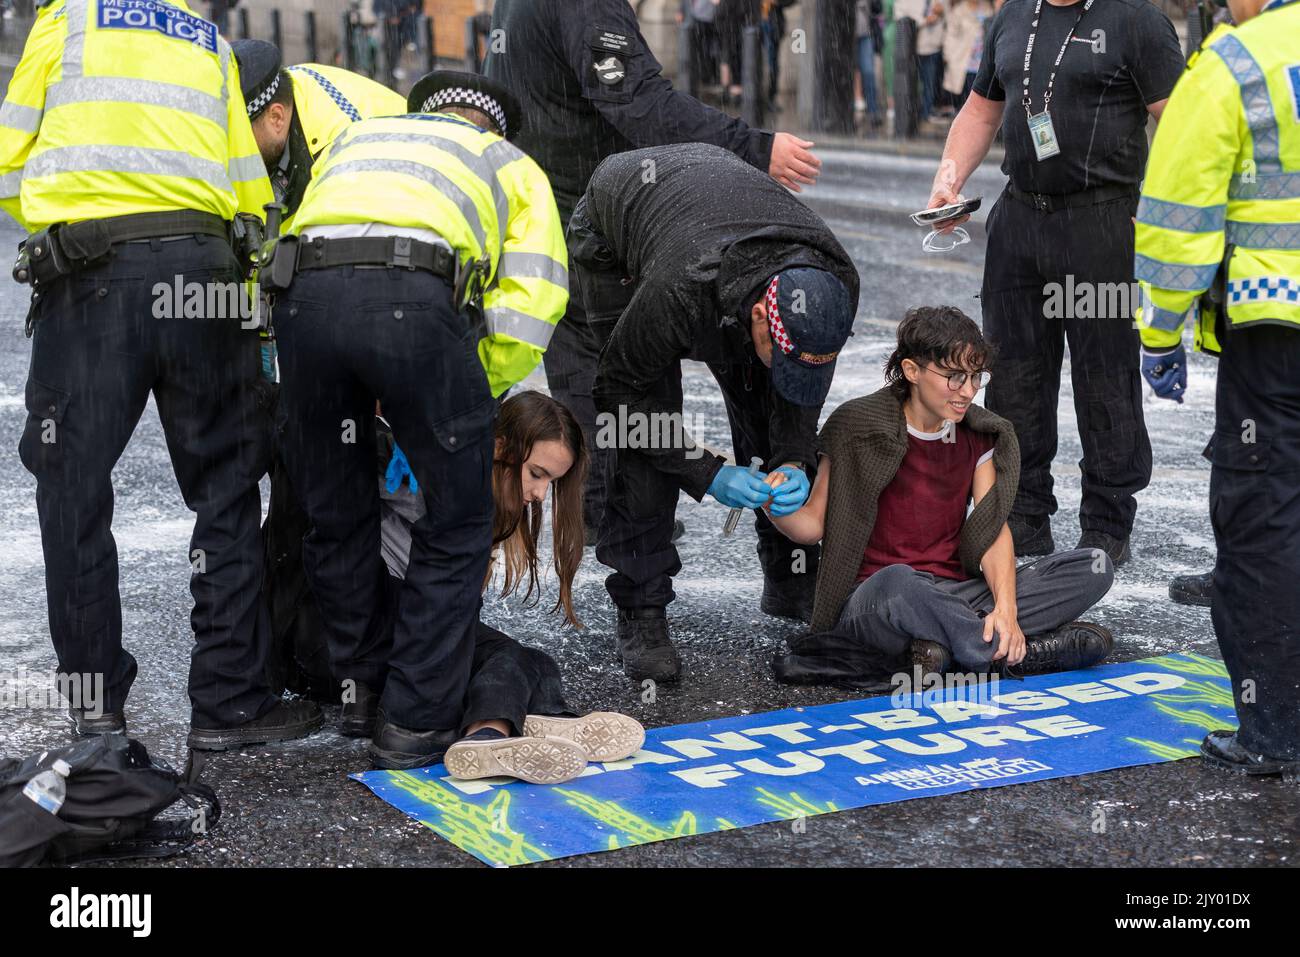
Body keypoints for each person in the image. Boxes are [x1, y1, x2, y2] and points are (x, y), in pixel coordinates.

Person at [0, 0, 322, 749]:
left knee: (72, 490)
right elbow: (247, 183)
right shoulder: (204, 36)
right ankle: (231, 703)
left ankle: (98, 712)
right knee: (226, 487)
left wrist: (67, 220)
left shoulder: (66, 21)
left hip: (90, 275)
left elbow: (11, 160)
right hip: (204, 271)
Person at [266, 71, 567, 769]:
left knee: (335, 514)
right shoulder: (507, 162)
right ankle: (414, 721)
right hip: (414, 301)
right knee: (457, 523)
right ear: (491, 124)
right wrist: (461, 393)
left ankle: (360, 690)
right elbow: (533, 300)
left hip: (302, 302)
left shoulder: (357, 139)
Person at [484, 0, 822, 538]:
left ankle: (600, 513)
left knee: (586, 376)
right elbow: (637, 100)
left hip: (541, 208)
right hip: (594, 220)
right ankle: (630, 532)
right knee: (631, 377)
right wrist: (752, 148)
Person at [569, 143, 858, 682]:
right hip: (618, 229)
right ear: (756, 317)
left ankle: (790, 578)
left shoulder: (833, 283)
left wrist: (794, 458)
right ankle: (641, 606)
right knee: (648, 435)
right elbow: (620, 398)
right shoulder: (679, 289)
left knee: (766, 394)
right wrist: (708, 471)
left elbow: (799, 394)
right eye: (781, 353)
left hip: (711, 215)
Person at [926, 0, 1185, 565]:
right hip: (1021, 220)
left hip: (1103, 222)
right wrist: (949, 180)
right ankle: (1023, 514)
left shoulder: (1136, 20)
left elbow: (1183, 122)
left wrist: (1164, 206)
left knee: (1105, 377)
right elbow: (980, 109)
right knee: (1015, 376)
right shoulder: (1014, 15)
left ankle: (1106, 523)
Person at [770, 307, 1115, 688]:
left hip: (954, 593)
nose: (967, 391)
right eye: (953, 377)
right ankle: (1016, 655)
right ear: (912, 370)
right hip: (877, 599)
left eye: (974, 377)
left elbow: (990, 530)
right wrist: (770, 501)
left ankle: (946, 645)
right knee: (902, 585)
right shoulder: (856, 424)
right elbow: (810, 527)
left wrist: (1006, 608)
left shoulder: (979, 434)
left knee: (1093, 566)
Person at [1134, 0, 1300, 778]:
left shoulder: (1238, 61)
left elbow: (1178, 216)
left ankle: (1275, 730)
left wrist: (1160, 330)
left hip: (1276, 334)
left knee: (1264, 521)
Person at [383, 392, 645, 781]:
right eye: (537, 474)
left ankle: (540, 720)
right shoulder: (435, 483)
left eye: (550, 483)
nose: (540, 495)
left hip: (418, 618)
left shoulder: (484, 497)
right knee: (508, 657)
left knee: (534, 661)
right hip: (393, 618)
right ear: (499, 447)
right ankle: (487, 734)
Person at [231, 40, 406, 221]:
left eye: (238, 136)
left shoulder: (343, 147)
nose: (231, 149)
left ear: (276, 118)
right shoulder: (279, 90)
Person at [894, 0, 946, 121]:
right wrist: (924, 21)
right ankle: (912, 113)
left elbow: (946, 15)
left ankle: (925, 113)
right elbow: (900, 17)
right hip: (912, 48)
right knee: (912, 82)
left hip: (933, 46)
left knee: (929, 82)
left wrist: (941, 11)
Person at [941, 0, 993, 111]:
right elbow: (950, 35)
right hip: (964, 61)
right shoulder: (959, 11)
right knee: (966, 99)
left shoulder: (988, 8)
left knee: (982, 99)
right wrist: (948, 55)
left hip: (984, 62)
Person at [855, 0, 884, 129]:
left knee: (868, 72)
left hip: (866, 34)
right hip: (847, 34)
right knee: (846, 73)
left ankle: (872, 111)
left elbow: (878, 8)